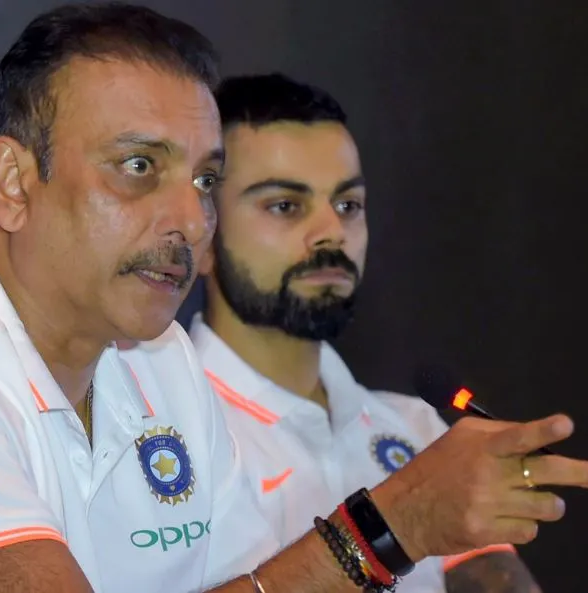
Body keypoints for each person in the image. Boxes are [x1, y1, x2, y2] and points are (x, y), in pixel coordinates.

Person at [0, 3, 588, 593]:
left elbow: (258, 584)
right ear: (13, 183)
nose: (190, 219)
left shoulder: (162, 364)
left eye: (205, 181)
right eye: (139, 166)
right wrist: (388, 527)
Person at [188, 73, 542, 592]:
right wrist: (394, 525)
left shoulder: (418, 428)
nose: (332, 231)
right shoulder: (157, 431)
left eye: (348, 205)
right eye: (286, 205)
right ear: (201, 230)